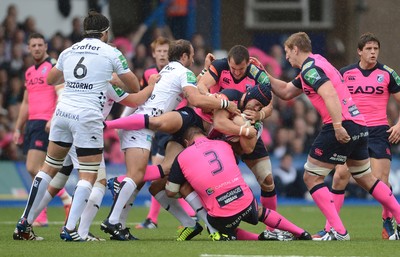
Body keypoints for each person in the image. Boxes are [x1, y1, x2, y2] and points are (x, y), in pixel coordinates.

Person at [12, 10, 140, 241]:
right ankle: (71, 229)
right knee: (90, 176)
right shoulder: (111, 51)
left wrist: (76, 80)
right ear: (105, 33)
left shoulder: (69, 50)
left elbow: (50, 79)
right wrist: (110, 77)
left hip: (62, 113)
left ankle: (24, 224)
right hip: (86, 116)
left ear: (84, 31)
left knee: (48, 169)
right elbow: (134, 88)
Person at [100, 39, 239, 241]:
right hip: (141, 126)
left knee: (143, 180)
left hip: (137, 124)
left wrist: (205, 72)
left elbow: (192, 88)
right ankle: (113, 217)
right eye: (191, 55)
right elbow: (195, 99)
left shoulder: (168, 70)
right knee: (136, 176)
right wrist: (225, 103)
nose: (193, 59)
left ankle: (120, 222)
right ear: (184, 56)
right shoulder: (182, 72)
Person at [267, 31, 400, 241]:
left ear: (295, 49)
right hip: (359, 124)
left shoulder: (310, 69)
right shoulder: (318, 63)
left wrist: (337, 126)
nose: (287, 57)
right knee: (365, 178)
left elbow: (329, 94)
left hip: (342, 124)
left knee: (311, 176)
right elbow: (284, 91)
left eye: (287, 52)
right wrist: (259, 74)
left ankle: (338, 230)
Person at [105, 83, 272, 240]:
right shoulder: (231, 95)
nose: (255, 108)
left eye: (260, 108)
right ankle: (107, 126)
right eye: (256, 104)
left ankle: (190, 224)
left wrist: (253, 123)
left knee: (157, 184)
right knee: (156, 122)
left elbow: (246, 148)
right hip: (191, 121)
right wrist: (242, 127)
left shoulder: (252, 120)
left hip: (198, 146)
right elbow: (215, 115)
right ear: (250, 95)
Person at [313, 32, 400, 239]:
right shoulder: (345, 73)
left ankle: (388, 222)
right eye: (368, 49)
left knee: (381, 180)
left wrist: (399, 125)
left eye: (375, 49)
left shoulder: (388, 73)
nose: (373, 53)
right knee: (340, 176)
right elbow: (333, 98)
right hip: (354, 128)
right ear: (359, 51)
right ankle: (331, 228)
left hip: (379, 131)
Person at [165, 126, 312, 241]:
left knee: (224, 228)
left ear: (186, 142)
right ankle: (301, 232)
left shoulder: (182, 156)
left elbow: (171, 191)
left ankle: (259, 238)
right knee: (261, 212)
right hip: (245, 201)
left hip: (221, 215)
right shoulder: (223, 144)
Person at [196, 45, 278, 225]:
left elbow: (269, 103)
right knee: (212, 182)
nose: (237, 72)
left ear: (248, 63)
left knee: (268, 180)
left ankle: (274, 228)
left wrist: (260, 114)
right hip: (219, 129)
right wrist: (216, 99)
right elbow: (200, 86)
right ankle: (199, 219)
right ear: (228, 62)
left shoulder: (257, 72)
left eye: (241, 69)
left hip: (246, 123)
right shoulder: (219, 66)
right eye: (233, 68)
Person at [134, 36, 195, 229]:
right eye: (158, 51)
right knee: (161, 172)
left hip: (175, 124)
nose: (161, 54)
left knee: (170, 171)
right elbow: (144, 98)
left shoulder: (183, 73)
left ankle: (188, 215)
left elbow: (190, 96)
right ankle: (153, 218)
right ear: (153, 54)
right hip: (156, 125)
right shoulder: (150, 74)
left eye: (164, 51)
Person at [12, 32, 72, 228]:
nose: (37, 48)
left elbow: (62, 94)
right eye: (33, 45)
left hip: (46, 123)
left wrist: (54, 118)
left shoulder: (54, 66)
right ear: (28, 48)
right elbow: (26, 102)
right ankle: (42, 214)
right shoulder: (29, 72)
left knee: (33, 168)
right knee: (36, 171)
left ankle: (64, 198)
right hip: (32, 123)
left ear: (45, 45)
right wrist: (18, 128)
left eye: (40, 44)